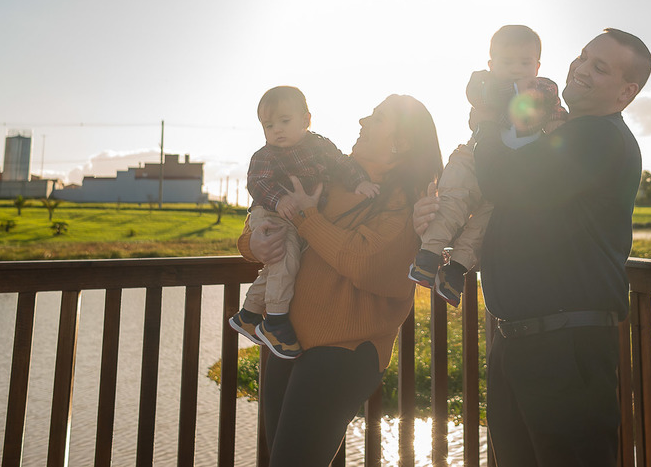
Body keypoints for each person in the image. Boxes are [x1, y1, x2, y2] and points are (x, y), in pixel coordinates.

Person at [416, 28, 651, 467]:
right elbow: (501, 204)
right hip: (520, 339)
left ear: (626, 91)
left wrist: (486, 121)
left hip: (566, 347)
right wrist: (434, 221)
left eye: (599, 67)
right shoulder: (556, 136)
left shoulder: (600, 138)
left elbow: (507, 182)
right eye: (582, 57)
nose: (580, 68)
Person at [254, 94, 443, 467]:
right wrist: (254, 241)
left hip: (344, 351)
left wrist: (308, 217)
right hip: (287, 341)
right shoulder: (330, 179)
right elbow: (269, 214)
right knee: (278, 455)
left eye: (376, 118)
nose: (362, 121)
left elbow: (366, 262)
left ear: (400, 142)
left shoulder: (409, 203)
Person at [407, 24, 567, 306]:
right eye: (507, 62)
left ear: (538, 65)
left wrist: (558, 128)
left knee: (487, 221)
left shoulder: (545, 91)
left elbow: (557, 118)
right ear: (492, 64)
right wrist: (513, 88)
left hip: (512, 169)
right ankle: (428, 256)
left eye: (525, 62)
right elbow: (479, 96)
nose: (517, 68)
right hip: (475, 156)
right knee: (454, 200)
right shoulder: (484, 83)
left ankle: (455, 270)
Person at [228, 86, 378, 359]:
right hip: (271, 212)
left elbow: (342, 164)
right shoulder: (265, 155)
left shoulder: (320, 146)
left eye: (284, 121)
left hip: (297, 217)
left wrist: (360, 182)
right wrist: (278, 200)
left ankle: (249, 315)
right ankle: (275, 321)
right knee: (285, 255)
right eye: (268, 125)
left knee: (282, 262)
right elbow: (257, 182)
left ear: (306, 120)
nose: (276, 130)